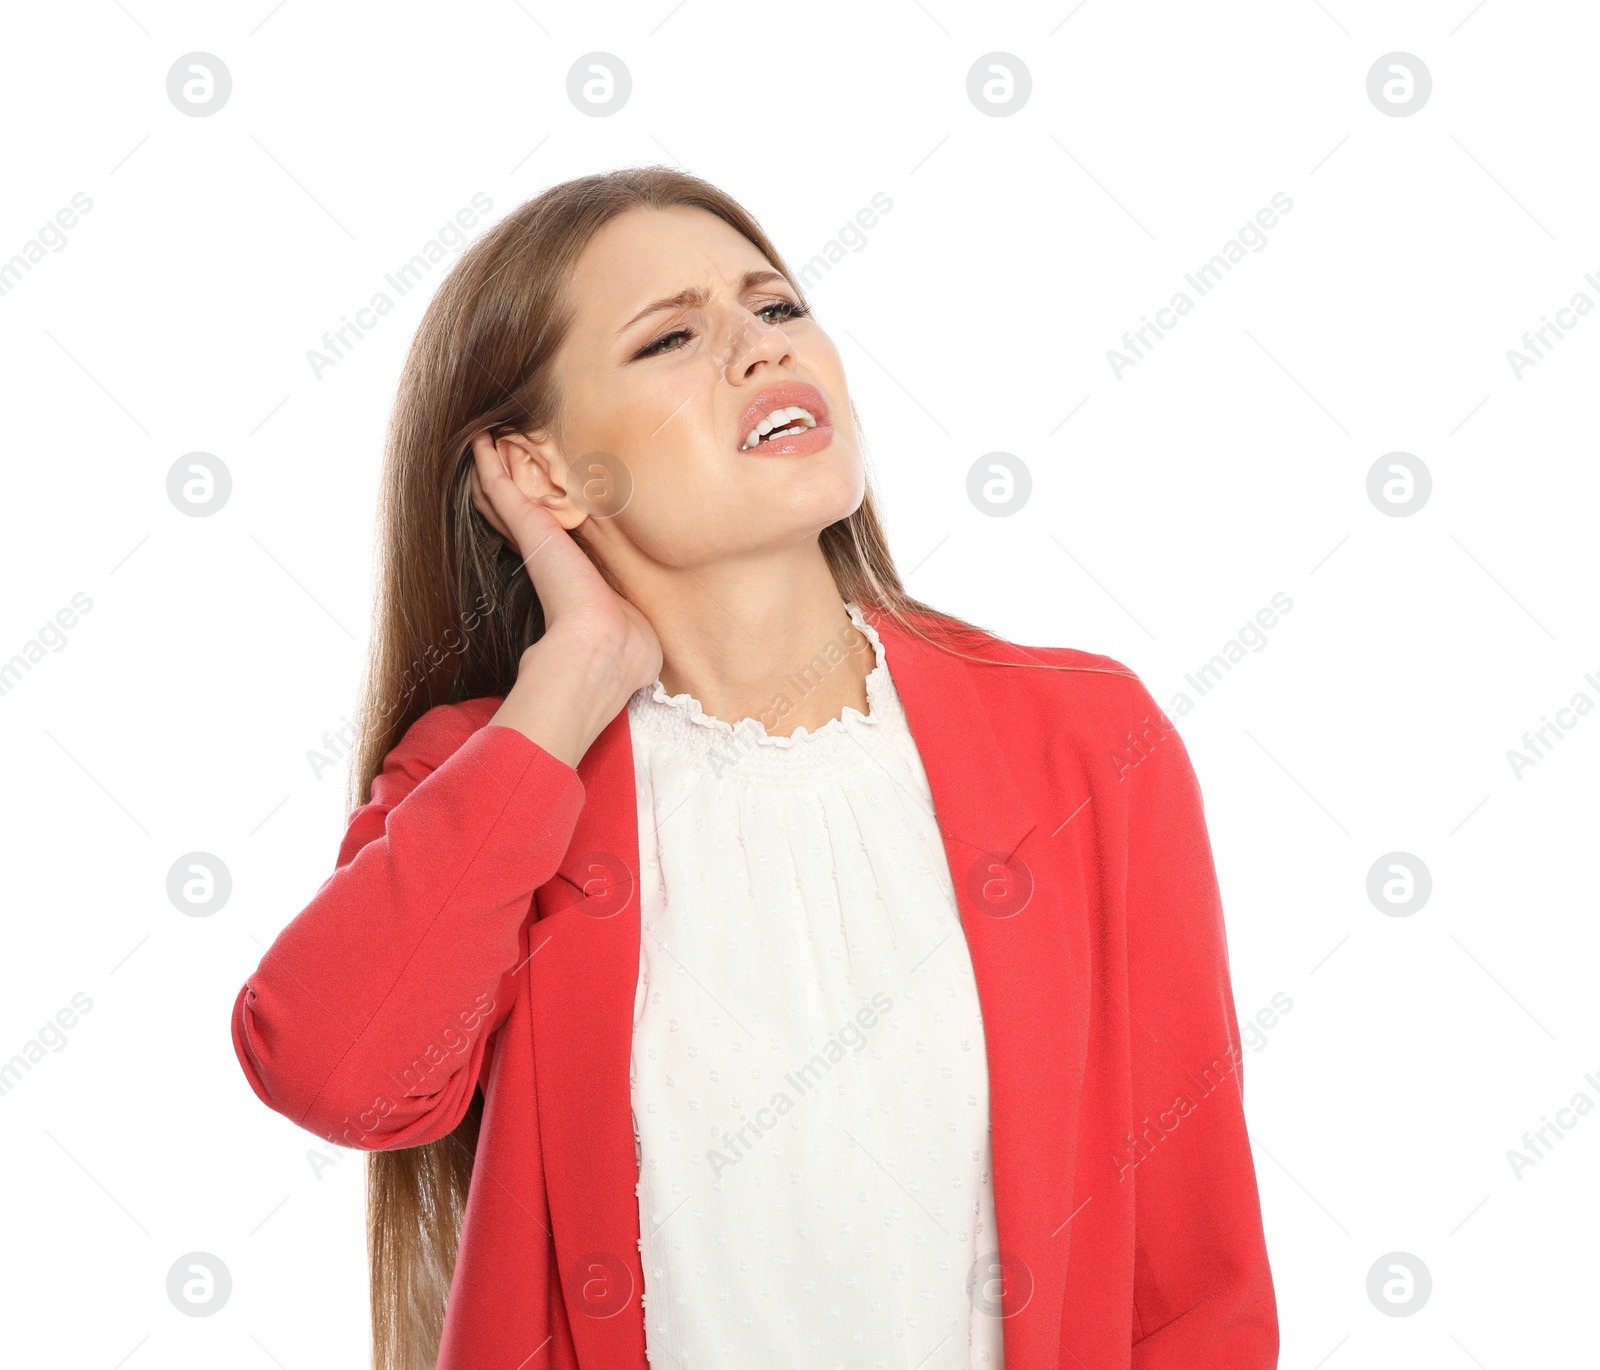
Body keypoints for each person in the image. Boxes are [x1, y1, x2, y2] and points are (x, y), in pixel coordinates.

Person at [229, 166, 1279, 1370]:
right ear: (541, 474)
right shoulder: (493, 775)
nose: (754, 349)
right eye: (671, 335)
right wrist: (569, 680)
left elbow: (1195, 1281)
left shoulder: (1082, 738)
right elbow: (339, 1073)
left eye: (774, 308)